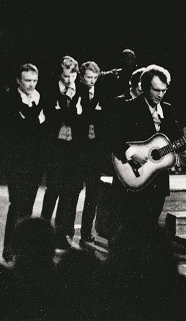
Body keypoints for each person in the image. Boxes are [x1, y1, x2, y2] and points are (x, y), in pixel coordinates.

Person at [109, 64, 182, 249]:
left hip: (157, 181)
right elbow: (111, 137)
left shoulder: (168, 110)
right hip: (132, 178)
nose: (160, 95)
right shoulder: (127, 107)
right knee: (129, 231)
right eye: (156, 90)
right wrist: (131, 153)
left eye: (164, 90)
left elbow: (177, 138)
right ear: (144, 87)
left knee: (149, 228)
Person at [2, 63, 47, 262]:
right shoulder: (9, 99)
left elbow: (42, 129)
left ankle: (21, 249)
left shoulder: (40, 98)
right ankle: (9, 249)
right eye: (27, 80)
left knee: (28, 207)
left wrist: (29, 120)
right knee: (17, 204)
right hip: (16, 161)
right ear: (18, 81)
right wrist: (33, 119)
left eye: (34, 80)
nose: (31, 84)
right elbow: (14, 129)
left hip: (35, 161)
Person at [41, 55, 83, 249]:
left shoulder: (79, 90)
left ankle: (60, 234)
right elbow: (51, 119)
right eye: (65, 76)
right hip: (55, 148)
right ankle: (42, 231)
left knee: (67, 193)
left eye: (72, 76)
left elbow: (80, 120)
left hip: (73, 150)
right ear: (60, 75)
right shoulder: (50, 91)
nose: (69, 80)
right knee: (53, 190)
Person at [77, 61, 109, 243]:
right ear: (81, 77)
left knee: (92, 193)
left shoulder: (102, 94)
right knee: (73, 191)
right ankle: (65, 231)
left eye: (95, 78)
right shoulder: (76, 92)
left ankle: (86, 232)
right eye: (88, 77)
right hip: (78, 150)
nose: (91, 81)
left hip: (95, 151)